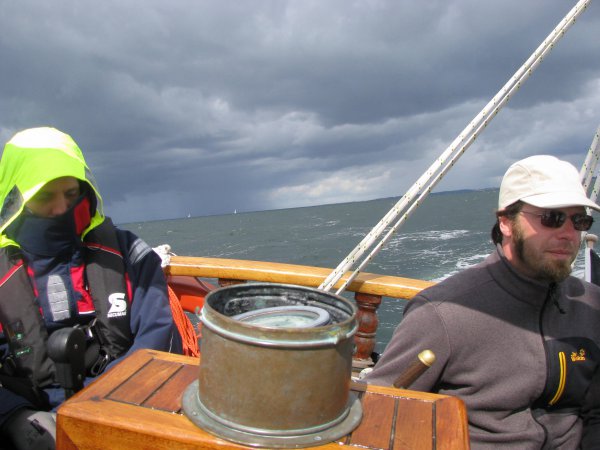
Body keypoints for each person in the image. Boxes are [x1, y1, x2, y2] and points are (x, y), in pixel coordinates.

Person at [364, 155, 600, 449]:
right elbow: (379, 413)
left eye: (579, 220)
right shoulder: (443, 314)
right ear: (506, 223)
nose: (568, 234)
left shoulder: (591, 306)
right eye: (552, 218)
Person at [0, 127, 183, 450]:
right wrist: (13, 415)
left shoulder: (130, 254)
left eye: (71, 193)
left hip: (121, 409)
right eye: (44, 196)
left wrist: (97, 410)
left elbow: (159, 337)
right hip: (24, 418)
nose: (61, 208)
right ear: (16, 200)